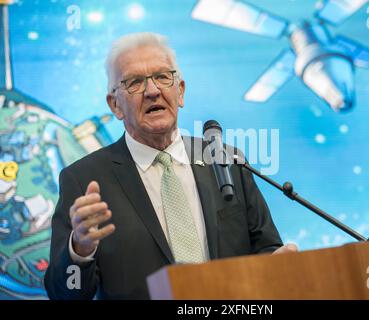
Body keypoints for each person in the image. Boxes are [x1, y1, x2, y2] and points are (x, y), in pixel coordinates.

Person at [44, 32, 297, 300]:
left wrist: (276, 266)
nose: (152, 91)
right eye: (134, 82)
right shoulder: (83, 179)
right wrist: (80, 250)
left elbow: (267, 250)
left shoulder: (227, 161)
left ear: (181, 91)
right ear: (115, 105)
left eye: (163, 77)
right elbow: (64, 294)